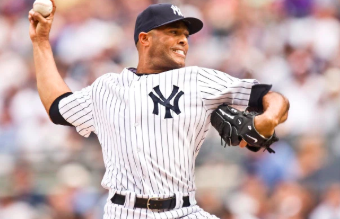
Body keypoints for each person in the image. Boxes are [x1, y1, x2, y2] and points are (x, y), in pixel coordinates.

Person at [28, 2, 289, 218]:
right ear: (145, 39)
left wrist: (268, 118)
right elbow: (57, 107)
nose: (184, 41)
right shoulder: (106, 87)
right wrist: (41, 42)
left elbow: (271, 96)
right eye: (174, 32)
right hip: (123, 211)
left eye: (185, 35)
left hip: (183, 211)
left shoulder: (197, 80)